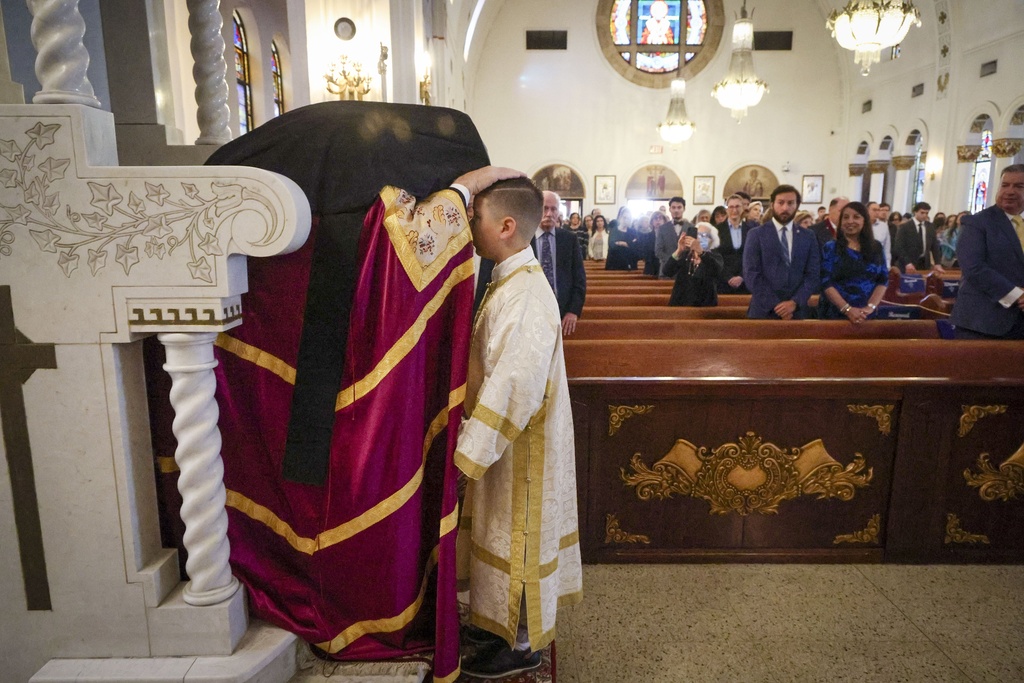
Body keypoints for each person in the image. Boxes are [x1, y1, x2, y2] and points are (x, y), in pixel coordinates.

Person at [456, 176, 583, 678]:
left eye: (477, 218)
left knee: (520, 542)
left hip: (521, 451)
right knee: (499, 540)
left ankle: (520, 642)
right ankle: (494, 627)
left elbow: (515, 387)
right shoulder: (508, 279)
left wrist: (467, 454)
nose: (470, 228)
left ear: (506, 226)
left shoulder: (527, 294)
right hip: (508, 450)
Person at [949, 164, 1024, 339]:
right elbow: (974, 268)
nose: (1010, 191)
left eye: (1019, 186)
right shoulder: (977, 223)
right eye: (1005, 185)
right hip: (983, 323)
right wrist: (1017, 295)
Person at [743, 184, 820, 319]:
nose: (785, 208)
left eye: (790, 203)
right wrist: (778, 305)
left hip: (797, 311)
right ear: (772, 205)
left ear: (797, 205)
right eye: (781, 203)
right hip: (763, 311)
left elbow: (813, 274)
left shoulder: (808, 236)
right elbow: (751, 274)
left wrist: (794, 302)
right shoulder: (756, 234)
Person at [817, 201, 888, 322]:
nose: (850, 221)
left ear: (864, 220)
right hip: (835, 314)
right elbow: (826, 282)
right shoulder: (831, 247)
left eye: (856, 217)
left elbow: (883, 279)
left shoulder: (876, 247)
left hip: (865, 314)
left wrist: (870, 307)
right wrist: (847, 309)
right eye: (845, 217)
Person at [536, 191, 587, 335]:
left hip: (562, 312)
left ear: (559, 212)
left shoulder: (569, 239)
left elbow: (579, 279)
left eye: (554, 209)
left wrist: (573, 311)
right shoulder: (524, 238)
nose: (549, 213)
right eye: (545, 208)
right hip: (530, 312)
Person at [663, 221, 722, 306]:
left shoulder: (715, 256)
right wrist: (679, 250)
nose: (699, 239)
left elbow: (715, 270)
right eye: (698, 235)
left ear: (712, 240)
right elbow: (667, 272)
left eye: (704, 236)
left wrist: (701, 252)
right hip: (680, 305)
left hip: (704, 307)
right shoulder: (685, 255)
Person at [715, 193, 752, 294]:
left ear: (743, 208)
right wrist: (728, 277)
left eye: (737, 206)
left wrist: (741, 276)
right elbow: (716, 257)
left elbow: (752, 257)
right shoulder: (717, 230)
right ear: (727, 209)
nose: (734, 210)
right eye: (731, 207)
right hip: (722, 282)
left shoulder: (751, 231)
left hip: (745, 282)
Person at [894, 201, 945, 274]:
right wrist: (907, 263)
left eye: (926, 213)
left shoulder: (930, 227)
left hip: (924, 263)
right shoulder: (905, 227)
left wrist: (937, 263)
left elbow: (934, 246)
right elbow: (899, 247)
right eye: (922, 212)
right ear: (915, 212)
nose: (925, 215)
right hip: (907, 263)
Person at [655, 196, 694, 277]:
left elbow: (693, 250)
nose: (676, 210)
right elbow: (658, 251)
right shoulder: (662, 228)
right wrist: (672, 260)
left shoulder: (692, 228)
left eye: (679, 207)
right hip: (666, 270)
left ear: (684, 209)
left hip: (685, 271)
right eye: (673, 207)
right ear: (670, 209)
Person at [865, 201, 893, 270]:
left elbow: (887, 247)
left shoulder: (883, 226)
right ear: (867, 210)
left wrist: (887, 265)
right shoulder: (861, 224)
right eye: (874, 210)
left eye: (878, 210)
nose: (877, 212)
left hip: (879, 261)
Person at [644, 211, 668, 275]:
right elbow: (646, 254)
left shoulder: (669, 237)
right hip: (651, 269)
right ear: (652, 222)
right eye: (655, 218)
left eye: (660, 218)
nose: (658, 220)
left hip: (665, 268)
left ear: (664, 221)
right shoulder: (647, 237)